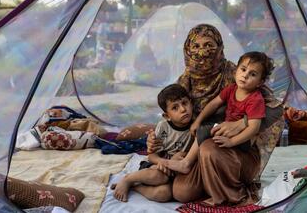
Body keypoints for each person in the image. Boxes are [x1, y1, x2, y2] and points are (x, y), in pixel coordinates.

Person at [147, 24, 283, 206]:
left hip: (234, 152)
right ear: (188, 50)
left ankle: (225, 191)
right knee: (181, 192)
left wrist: (242, 123)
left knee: (209, 148)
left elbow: (277, 108)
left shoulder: (236, 76)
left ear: (219, 47)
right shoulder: (185, 81)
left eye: (209, 44)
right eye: (196, 46)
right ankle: (209, 183)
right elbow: (173, 117)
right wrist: (156, 140)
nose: (203, 51)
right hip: (197, 151)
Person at [164, 51, 274, 174]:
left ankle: (186, 163)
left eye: (252, 74)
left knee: (204, 130)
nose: (245, 75)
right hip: (227, 128)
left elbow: (253, 128)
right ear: (236, 70)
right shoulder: (232, 89)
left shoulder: (255, 99)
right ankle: (192, 162)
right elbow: (213, 104)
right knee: (204, 125)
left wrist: (232, 141)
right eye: (243, 69)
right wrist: (198, 121)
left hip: (243, 140)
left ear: (260, 82)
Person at [111, 84, 194, 202]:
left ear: (191, 103)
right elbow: (151, 155)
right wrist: (164, 163)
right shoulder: (163, 127)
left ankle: (135, 187)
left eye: (185, 103)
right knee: (159, 176)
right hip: (157, 167)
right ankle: (128, 179)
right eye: (175, 107)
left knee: (164, 194)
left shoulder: (196, 126)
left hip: (177, 171)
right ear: (166, 116)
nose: (183, 109)